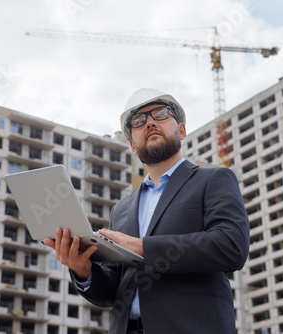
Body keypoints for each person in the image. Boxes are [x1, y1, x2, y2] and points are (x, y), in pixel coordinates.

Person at [44, 88, 250, 334]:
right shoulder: (121, 210)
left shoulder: (214, 179)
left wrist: (142, 247)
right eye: (138, 121)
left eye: (160, 114)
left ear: (181, 130)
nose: (149, 122)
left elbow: (231, 246)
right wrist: (82, 269)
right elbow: (113, 291)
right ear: (132, 145)